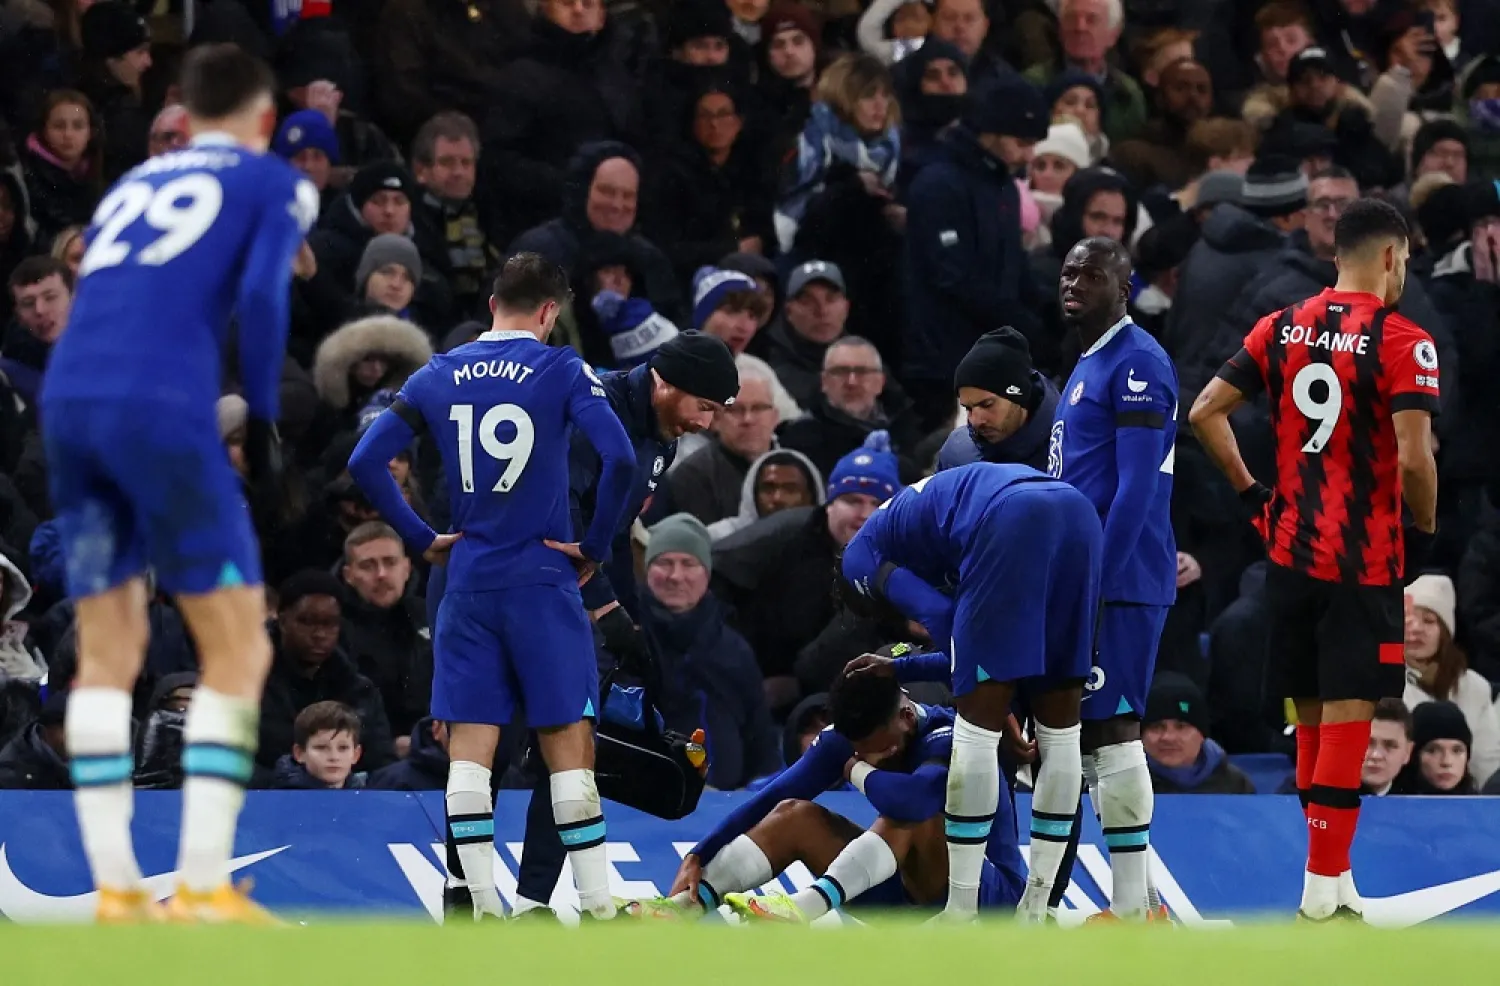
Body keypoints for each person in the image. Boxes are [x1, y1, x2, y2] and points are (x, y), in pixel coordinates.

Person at [39, 44, 319, 924]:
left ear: (185, 116)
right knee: (240, 647)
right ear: (265, 118)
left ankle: (118, 887)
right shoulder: (272, 181)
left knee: (109, 647)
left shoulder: (129, 187)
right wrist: (267, 422)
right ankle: (200, 884)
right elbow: (268, 296)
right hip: (161, 408)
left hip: (71, 402)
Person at [347, 253, 639, 922]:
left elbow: (364, 459)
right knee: (569, 752)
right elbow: (621, 456)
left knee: (470, 759)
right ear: (548, 313)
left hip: (469, 582)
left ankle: (481, 908)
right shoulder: (560, 366)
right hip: (542, 580)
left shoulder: (438, 372)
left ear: (491, 306)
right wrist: (594, 545)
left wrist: (421, 537)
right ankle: (596, 907)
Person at [1188, 198, 1441, 922]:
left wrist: (1249, 494)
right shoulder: (1403, 341)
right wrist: (1421, 531)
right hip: (1363, 559)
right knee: (1351, 718)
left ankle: (1332, 881)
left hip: (1290, 552)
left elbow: (1205, 409)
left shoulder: (1281, 325)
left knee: (1311, 716)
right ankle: (1320, 893)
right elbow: (1416, 457)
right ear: (1391, 257)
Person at [839, 463, 1102, 923]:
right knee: (1061, 735)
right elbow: (985, 651)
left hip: (1010, 516)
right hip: (1076, 509)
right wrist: (909, 667)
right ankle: (1037, 909)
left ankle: (960, 910)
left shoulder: (859, 560)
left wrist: (989, 708)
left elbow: (941, 617)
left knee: (974, 734)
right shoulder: (919, 529)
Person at [624, 662, 1025, 921]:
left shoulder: (947, 734)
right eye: (860, 750)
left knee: (914, 810)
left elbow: (912, 800)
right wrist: (700, 853)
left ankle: (801, 910)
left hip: (987, 899)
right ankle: (680, 911)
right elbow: (770, 797)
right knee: (793, 814)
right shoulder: (848, 737)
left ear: (907, 717)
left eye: (884, 748)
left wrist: (854, 767)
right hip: (902, 896)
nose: (877, 757)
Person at [1048, 236, 1178, 922]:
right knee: (1088, 732)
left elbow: (1136, 490)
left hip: (1119, 583)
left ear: (1124, 285)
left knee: (1115, 728)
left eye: (1091, 272)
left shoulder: (1137, 363)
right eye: (1068, 270)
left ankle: (1134, 909)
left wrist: (1095, 580)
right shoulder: (1090, 364)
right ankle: (1141, 903)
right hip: (1087, 576)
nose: (1074, 280)